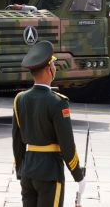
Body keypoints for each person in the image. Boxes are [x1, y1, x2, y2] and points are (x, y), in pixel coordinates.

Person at [12, 41, 85, 207]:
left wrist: (21, 171)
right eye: (53, 64)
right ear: (49, 70)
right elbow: (67, 146)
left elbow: (17, 142)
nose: (55, 68)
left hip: (27, 173)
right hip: (50, 173)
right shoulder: (58, 102)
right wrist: (78, 176)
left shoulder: (20, 99)